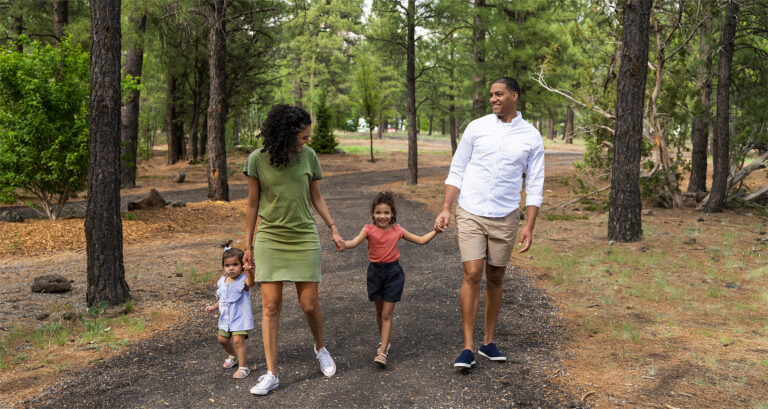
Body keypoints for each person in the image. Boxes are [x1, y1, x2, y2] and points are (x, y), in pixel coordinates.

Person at [434, 77, 545, 369]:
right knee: (472, 274)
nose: (493, 99)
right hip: (470, 210)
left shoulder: (531, 137)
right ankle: (468, 347)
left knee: (495, 277)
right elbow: (456, 170)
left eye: (499, 94)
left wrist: (529, 226)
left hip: (506, 216)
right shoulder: (477, 127)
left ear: (514, 96)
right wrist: (446, 208)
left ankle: (488, 342)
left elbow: (534, 185)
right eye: (491, 95)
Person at [243, 104, 344, 396]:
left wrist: (332, 227)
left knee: (310, 304)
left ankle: (320, 347)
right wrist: (247, 245)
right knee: (271, 306)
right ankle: (272, 372)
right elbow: (251, 205)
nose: (306, 142)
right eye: (302, 137)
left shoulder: (309, 157)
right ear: (286, 134)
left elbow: (317, 197)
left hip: (303, 236)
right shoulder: (257, 160)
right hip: (271, 238)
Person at [343, 191, 441, 367]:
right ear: (373, 214)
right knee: (380, 313)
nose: (382, 216)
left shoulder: (397, 230)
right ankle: (384, 342)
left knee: (387, 313)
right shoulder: (368, 230)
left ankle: (382, 352)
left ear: (393, 214)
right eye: (378, 212)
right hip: (375, 273)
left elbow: (420, 240)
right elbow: (354, 242)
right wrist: (343, 243)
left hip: (393, 274)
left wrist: (435, 231)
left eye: (386, 212)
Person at [204, 247, 255, 379]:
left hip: (239, 317)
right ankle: (233, 355)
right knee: (222, 339)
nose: (231, 268)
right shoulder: (222, 281)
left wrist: (250, 272)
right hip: (225, 319)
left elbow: (251, 283)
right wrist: (214, 307)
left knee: (238, 341)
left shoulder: (243, 279)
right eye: (227, 265)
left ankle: (243, 367)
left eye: (235, 264)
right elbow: (222, 299)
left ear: (242, 265)